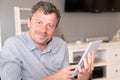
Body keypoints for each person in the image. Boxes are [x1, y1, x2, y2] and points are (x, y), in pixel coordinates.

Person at [0, 1, 95, 80]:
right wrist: (55, 78)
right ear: (29, 22)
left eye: (50, 26)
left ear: (55, 29)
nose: (43, 30)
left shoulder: (61, 45)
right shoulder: (13, 45)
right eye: (39, 22)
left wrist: (83, 77)